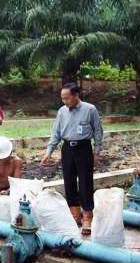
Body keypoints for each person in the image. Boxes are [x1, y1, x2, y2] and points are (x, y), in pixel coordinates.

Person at [41, 83, 103, 235]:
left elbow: (98, 132)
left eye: (67, 98)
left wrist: (97, 152)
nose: (64, 102)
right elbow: (56, 133)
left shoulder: (90, 109)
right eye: (62, 99)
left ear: (76, 95)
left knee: (85, 182)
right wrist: (49, 151)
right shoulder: (62, 112)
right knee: (69, 182)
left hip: (84, 148)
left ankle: (87, 215)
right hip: (67, 148)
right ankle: (75, 214)